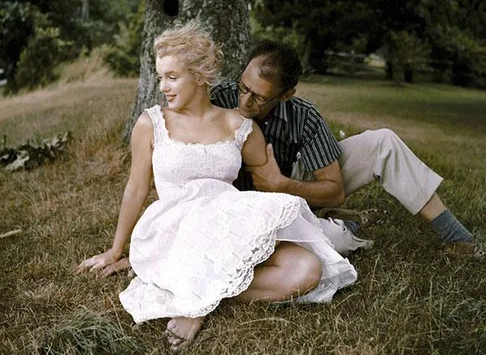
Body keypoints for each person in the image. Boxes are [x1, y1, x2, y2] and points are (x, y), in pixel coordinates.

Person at [78, 21, 358, 351]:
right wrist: (115, 251)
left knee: (306, 268)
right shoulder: (152, 123)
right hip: (174, 228)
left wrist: (275, 209)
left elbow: (269, 187)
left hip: (225, 223)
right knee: (296, 261)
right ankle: (192, 304)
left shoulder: (240, 126)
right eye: (160, 77)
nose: (163, 87)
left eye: (172, 76)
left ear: (199, 76)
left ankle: (205, 296)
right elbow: (136, 189)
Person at [208, 39, 483, 259]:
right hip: (240, 206)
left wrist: (281, 184)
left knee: (383, 142)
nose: (245, 102)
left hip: (292, 184)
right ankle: (344, 227)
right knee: (334, 242)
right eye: (243, 87)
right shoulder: (218, 99)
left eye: (258, 97)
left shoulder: (303, 116)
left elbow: (334, 190)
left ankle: (459, 239)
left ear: (286, 95)